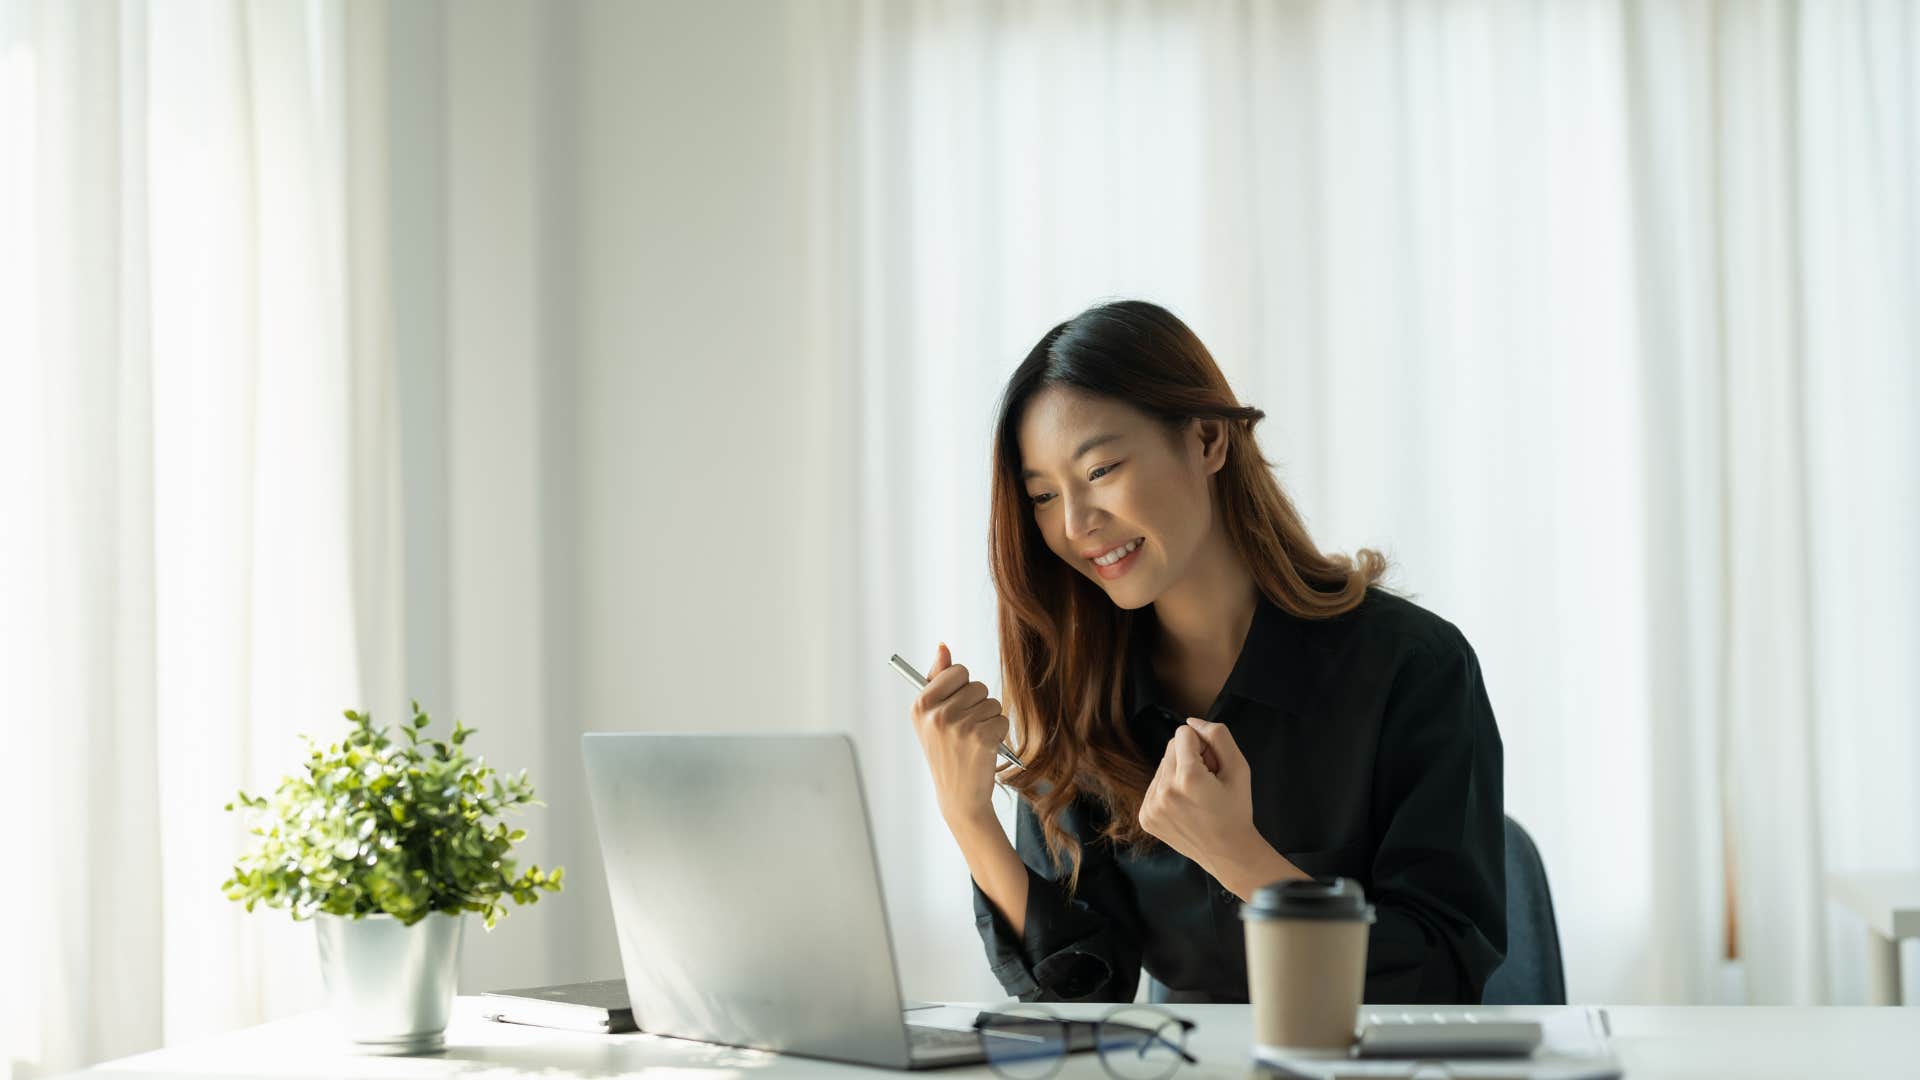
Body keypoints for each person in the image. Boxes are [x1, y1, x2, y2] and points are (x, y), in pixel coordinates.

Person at [908, 300, 1506, 1005]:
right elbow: (1083, 997)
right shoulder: (1083, 695)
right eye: (1042, 495)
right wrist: (969, 817)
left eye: (1100, 470)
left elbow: (1442, 974)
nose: (1075, 523)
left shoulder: (1413, 666)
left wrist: (1240, 858)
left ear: (1208, 440)